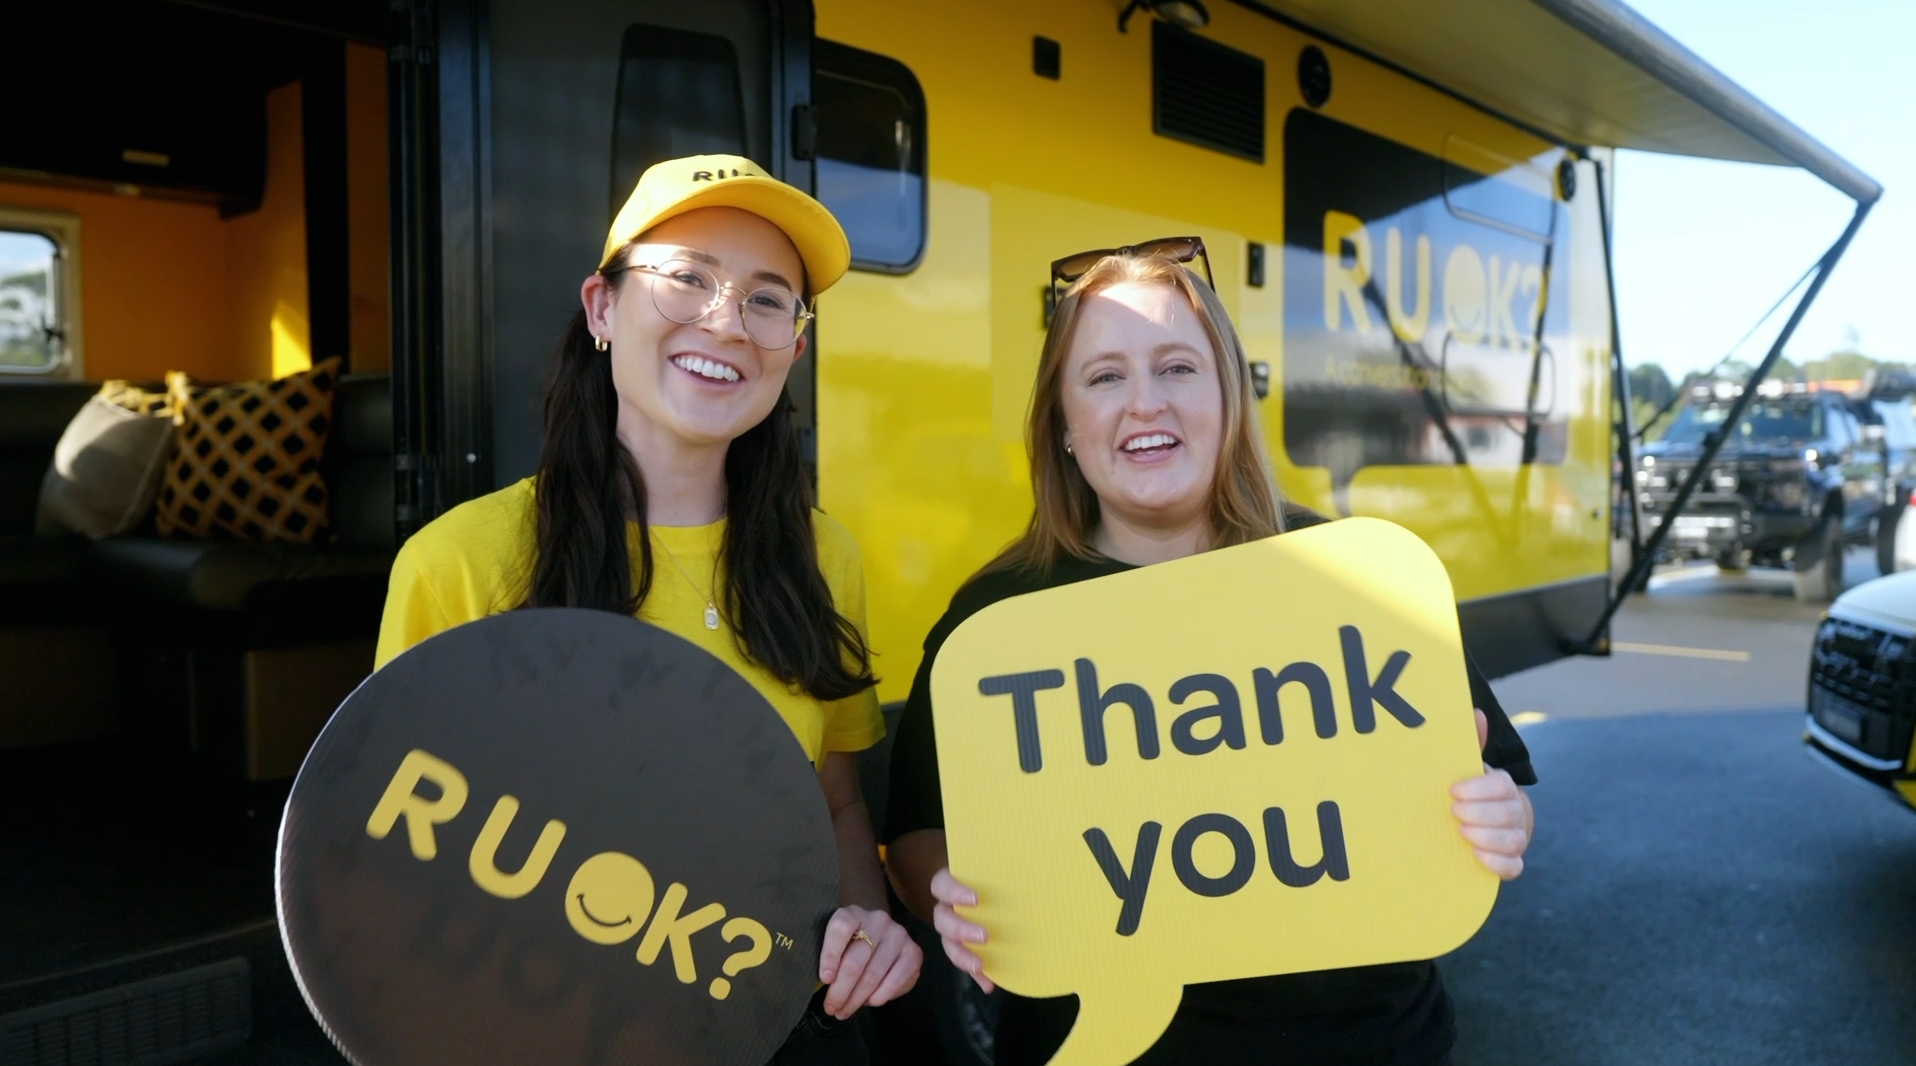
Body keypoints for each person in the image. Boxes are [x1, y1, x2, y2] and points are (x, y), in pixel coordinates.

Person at [883, 239, 1535, 1065]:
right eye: (1105, 376)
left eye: (1177, 368)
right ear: (1064, 423)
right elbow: (914, 835)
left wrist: (1500, 816)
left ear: (1229, 395)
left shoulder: (1356, 582)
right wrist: (950, 893)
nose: (1144, 403)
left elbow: (1496, 785)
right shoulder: (997, 620)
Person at [374, 154, 921, 1058]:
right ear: (601, 308)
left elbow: (833, 806)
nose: (726, 321)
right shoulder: (458, 563)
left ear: (794, 344)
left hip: (774, 1023)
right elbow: (401, 857)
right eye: (687, 279)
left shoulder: (825, 557)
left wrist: (867, 929)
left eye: (766, 298)